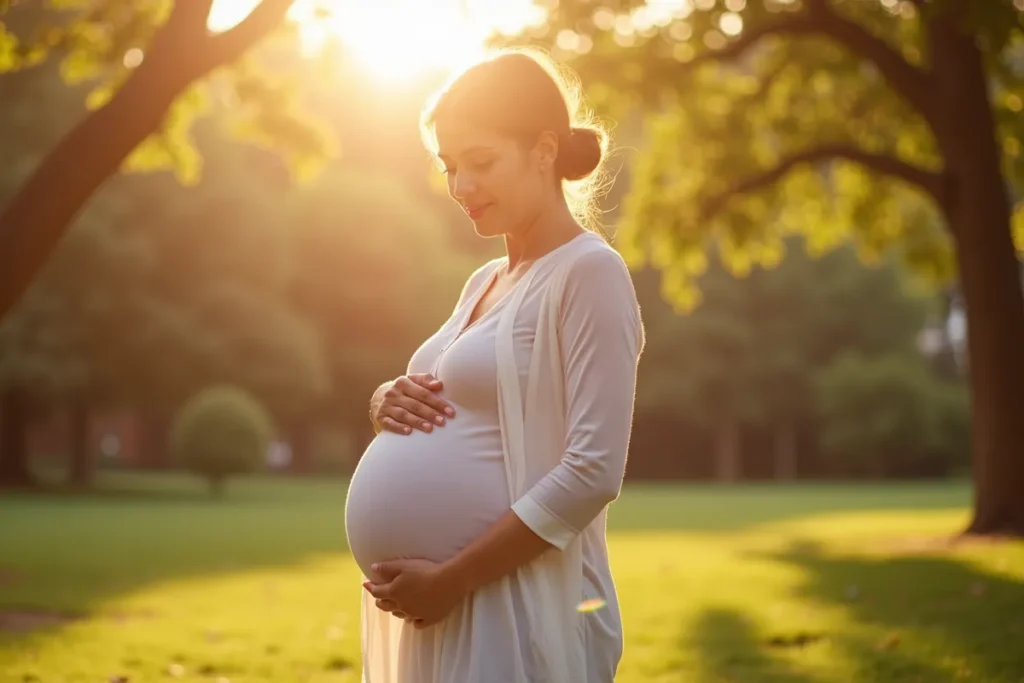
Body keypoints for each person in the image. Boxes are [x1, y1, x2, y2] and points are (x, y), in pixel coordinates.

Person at [343, 47, 645, 683]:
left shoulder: (590, 273)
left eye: (481, 162)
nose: (461, 187)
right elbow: (453, 401)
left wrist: (451, 580)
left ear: (542, 150)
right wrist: (383, 403)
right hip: (440, 605)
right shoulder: (485, 279)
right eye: (450, 166)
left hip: (514, 603)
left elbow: (592, 472)